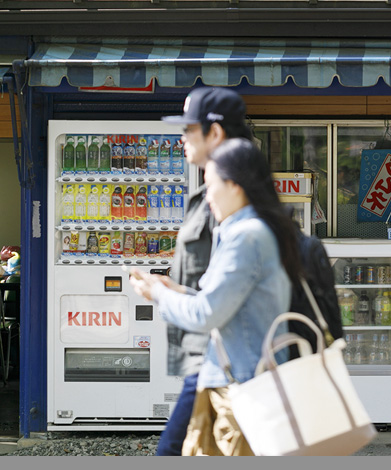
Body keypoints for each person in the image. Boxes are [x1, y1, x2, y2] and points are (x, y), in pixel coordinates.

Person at [129, 138, 303, 455]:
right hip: (240, 380)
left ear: (234, 184)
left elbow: (207, 314)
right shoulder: (250, 230)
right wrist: (179, 291)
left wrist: (157, 295)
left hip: (240, 385)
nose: (207, 196)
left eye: (211, 186)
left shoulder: (245, 235)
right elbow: (229, 303)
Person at [154, 87, 254, 456]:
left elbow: (227, 294)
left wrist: (162, 295)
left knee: (171, 453)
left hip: (222, 356)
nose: (181, 139)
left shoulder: (236, 203)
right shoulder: (208, 194)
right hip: (207, 353)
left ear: (215, 133)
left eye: (188, 130)